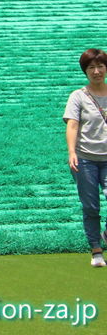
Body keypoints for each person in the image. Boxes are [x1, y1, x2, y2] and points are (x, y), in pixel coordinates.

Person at [64, 48, 107, 267]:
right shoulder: (78, 96)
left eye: (100, 66)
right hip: (85, 159)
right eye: (91, 67)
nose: (97, 71)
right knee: (91, 207)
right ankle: (97, 252)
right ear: (85, 71)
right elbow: (72, 125)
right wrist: (72, 152)